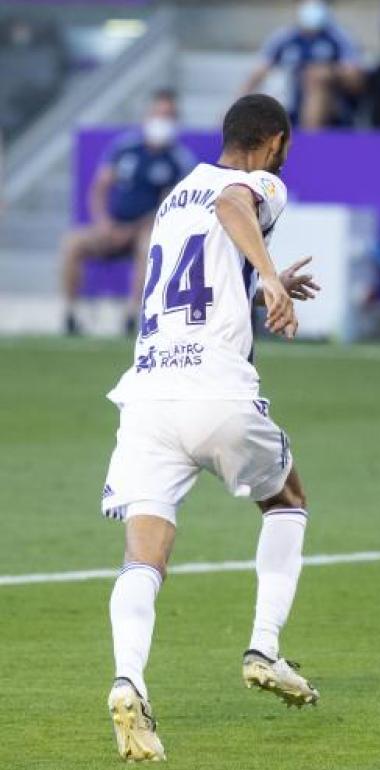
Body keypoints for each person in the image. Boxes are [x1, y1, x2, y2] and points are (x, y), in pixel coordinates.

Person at [100, 93, 323, 762]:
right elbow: (234, 206)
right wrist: (270, 278)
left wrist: (264, 282)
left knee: (144, 555)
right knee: (288, 500)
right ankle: (264, 646)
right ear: (276, 141)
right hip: (216, 390)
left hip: (148, 396)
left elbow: (197, 278)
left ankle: (128, 679)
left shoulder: (174, 198)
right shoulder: (254, 184)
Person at [60, 89, 196, 335]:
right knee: (73, 243)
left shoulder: (179, 160)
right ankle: (70, 315)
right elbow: (99, 189)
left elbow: (171, 208)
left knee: (149, 248)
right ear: (147, 116)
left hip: (145, 229)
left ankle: (131, 317)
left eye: (169, 116)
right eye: (158, 114)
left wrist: (133, 229)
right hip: (112, 227)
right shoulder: (125, 149)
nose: (162, 121)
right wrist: (104, 222)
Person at [240, 0, 365, 129]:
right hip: (291, 106)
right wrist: (237, 104)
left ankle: (310, 139)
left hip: (333, 111)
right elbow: (258, 71)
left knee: (316, 80)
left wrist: (329, 72)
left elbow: (356, 79)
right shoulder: (284, 37)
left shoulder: (339, 37)